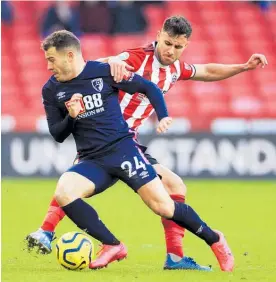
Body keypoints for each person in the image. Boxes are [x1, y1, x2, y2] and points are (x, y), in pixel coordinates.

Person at [27, 15, 267, 271]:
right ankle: (47, 231)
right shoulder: (135, 58)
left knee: (171, 190)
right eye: (167, 43)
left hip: (125, 142)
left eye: (178, 47)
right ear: (158, 36)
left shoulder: (175, 69)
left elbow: (207, 70)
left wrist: (242, 67)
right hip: (102, 134)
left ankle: (178, 256)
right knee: (73, 185)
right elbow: (95, 67)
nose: (171, 50)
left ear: (185, 46)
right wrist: (113, 63)